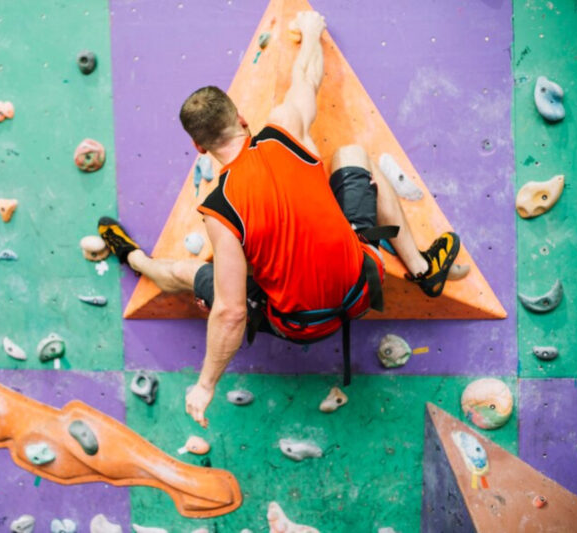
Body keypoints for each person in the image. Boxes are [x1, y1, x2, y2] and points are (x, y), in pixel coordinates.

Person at [97, 11, 460, 428]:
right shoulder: (286, 129)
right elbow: (307, 77)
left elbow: (232, 312)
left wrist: (206, 385)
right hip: (362, 288)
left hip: (302, 326)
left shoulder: (220, 211)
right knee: (355, 158)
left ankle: (135, 260)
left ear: (199, 147)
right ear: (243, 119)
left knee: (186, 272)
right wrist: (310, 33)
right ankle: (420, 267)